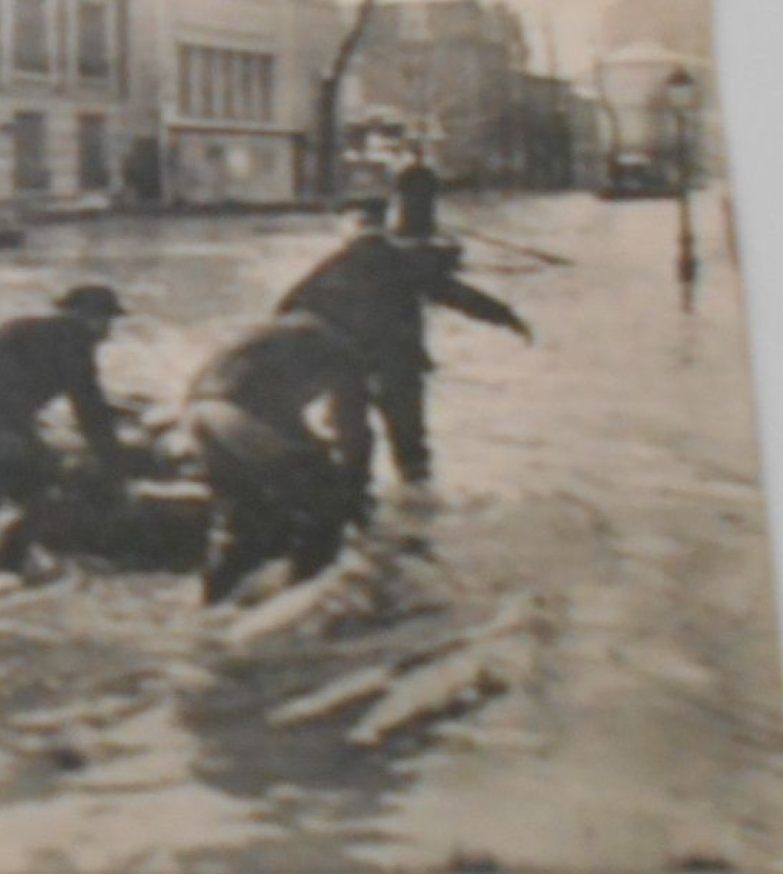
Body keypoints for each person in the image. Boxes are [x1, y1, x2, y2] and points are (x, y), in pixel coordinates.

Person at [277, 197, 531, 484]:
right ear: (383, 225)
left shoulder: (329, 268)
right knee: (411, 451)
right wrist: (508, 318)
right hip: (400, 365)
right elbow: (459, 295)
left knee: (351, 446)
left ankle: (360, 508)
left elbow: (288, 312)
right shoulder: (410, 261)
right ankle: (420, 506)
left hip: (347, 368)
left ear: (348, 227)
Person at [0, 284, 128, 572]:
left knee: (0, 479)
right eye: (107, 321)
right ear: (90, 318)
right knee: (40, 488)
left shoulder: (26, 328)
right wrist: (114, 466)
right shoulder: (75, 342)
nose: (109, 331)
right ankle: (6, 568)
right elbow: (90, 411)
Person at [185, 311, 375, 605]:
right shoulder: (347, 352)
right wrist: (357, 497)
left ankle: (211, 605)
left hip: (199, 412)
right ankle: (306, 597)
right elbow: (354, 430)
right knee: (326, 510)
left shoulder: (291, 328)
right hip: (241, 415)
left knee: (247, 520)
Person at [395, 140, 439, 240]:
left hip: (417, 216)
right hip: (418, 217)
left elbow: (400, 189)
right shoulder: (425, 173)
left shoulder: (425, 173)